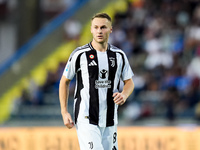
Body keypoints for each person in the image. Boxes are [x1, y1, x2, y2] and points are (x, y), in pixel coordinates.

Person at [59, 12, 134, 150]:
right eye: (96, 27)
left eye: (103, 27)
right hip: (86, 118)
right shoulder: (79, 54)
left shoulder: (119, 55)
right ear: (91, 29)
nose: (99, 31)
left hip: (110, 119)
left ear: (110, 29)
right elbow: (64, 81)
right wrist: (64, 112)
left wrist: (124, 94)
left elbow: (129, 82)